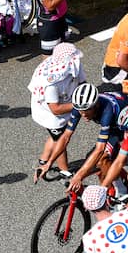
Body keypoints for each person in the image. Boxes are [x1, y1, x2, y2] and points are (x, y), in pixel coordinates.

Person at [38, 84, 128, 190]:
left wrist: (79, 176)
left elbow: (100, 149)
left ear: (96, 105)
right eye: (80, 110)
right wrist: (49, 163)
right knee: (92, 160)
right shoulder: (80, 106)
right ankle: (111, 184)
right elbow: (65, 136)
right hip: (116, 116)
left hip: (126, 123)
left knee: (101, 159)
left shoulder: (107, 111)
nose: (83, 114)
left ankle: (121, 190)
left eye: (86, 110)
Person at [28, 42, 85, 183]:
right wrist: (80, 104)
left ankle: (43, 160)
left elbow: (83, 83)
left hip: (66, 104)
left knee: (55, 136)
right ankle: (64, 171)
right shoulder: (51, 82)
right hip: (51, 115)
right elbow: (56, 108)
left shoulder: (74, 64)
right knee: (61, 139)